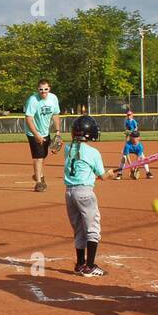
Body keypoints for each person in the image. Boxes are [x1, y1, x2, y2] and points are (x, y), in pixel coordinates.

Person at [63, 115, 108, 276]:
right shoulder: (93, 152)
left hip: (69, 193)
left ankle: (80, 264)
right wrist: (110, 173)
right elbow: (102, 176)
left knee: (79, 229)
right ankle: (90, 267)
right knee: (93, 228)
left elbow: (82, 166)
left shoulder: (68, 149)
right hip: (85, 193)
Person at [24, 79, 61, 192]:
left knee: (43, 155)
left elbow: (55, 115)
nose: (43, 91)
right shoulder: (33, 100)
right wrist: (36, 135)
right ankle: (39, 182)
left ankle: (38, 174)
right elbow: (28, 118)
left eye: (46, 89)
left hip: (46, 131)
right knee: (38, 157)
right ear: (37, 89)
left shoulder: (53, 98)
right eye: (41, 89)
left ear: (49, 89)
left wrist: (58, 132)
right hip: (33, 132)